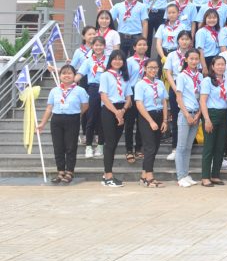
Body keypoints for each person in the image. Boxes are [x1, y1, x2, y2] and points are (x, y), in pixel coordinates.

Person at [37, 64, 89, 184]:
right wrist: (42, 123)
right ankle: (60, 171)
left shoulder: (80, 90)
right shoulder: (54, 91)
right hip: (57, 120)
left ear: (74, 76)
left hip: (72, 119)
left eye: (69, 73)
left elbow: (85, 105)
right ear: (60, 76)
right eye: (64, 73)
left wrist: (77, 113)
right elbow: (49, 108)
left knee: (71, 146)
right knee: (58, 147)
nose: (66, 75)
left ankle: (69, 171)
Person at [132, 58, 168, 187]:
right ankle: (149, 178)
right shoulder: (140, 84)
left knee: (155, 146)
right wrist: (151, 121)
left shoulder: (160, 83)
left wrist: (165, 120)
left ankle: (143, 176)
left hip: (159, 115)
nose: (153, 70)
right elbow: (139, 104)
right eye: (150, 67)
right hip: (147, 116)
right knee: (150, 147)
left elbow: (164, 101)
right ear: (145, 69)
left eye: (155, 68)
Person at [97, 49, 130, 187]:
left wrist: (123, 110)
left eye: (120, 59)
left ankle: (106, 174)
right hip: (109, 109)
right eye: (115, 59)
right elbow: (104, 96)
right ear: (110, 60)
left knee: (114, 143)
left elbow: (128, 97)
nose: (117, 61)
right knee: (110, 142)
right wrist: (116, 112)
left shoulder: (124, 77)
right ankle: (109, 176)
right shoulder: (105, 75)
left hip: (122, 109)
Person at [174, 49, 203, 187]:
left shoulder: (200, 76)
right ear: (186, 59)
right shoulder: (182, 76)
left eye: (196, 59)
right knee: (181, 146)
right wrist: (187, 115)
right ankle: (180, 176)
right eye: (191, 58)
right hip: (185, 114)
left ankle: (186, 174)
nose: (194, 61)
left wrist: (198, 114)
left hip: (196, 114)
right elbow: (179, 97)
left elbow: (202, 97)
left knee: (188, 147)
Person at [199, 56, 227, 187]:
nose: (220, 67)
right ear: (212, 66)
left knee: (220, 146)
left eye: (223, 64)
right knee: (209, 146)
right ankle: (205, 176)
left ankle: (215, 174)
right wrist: (206, 119)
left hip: (224, 114)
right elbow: (202, 101)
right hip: (211, 114)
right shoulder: (207, 81)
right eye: (218, 64)